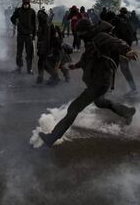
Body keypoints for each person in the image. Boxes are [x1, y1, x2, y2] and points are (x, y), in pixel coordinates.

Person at [39, 19, 137, 147]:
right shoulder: (91, 41)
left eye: (79, 33)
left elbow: (115, 42)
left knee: (73, 108)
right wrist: (75, 66)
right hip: (98, 81)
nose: (78, 36)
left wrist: (127, 51)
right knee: (100, 102)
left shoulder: (100, 37)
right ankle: (126, 111)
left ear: (85, 31)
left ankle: (52, 137)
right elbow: (87, 58)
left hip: (99, 82)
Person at [112, 7, 138, 97]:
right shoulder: (127, 21)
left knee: (114, 68)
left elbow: (112, 31)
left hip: (119, 48)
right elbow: (131, 35)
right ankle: (133, 89)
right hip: (125, 48)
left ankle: (110, 89)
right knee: (124, 69)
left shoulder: (117, 20)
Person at [10, 0, 36, 74]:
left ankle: (29, 69)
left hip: (29, 35)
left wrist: (34, 35)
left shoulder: (32, 11)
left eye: (27, 3)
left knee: (29, 53)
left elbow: (34, 24)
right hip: (20, 35)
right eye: (24, 3)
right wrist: (16, 23)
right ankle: (19, 67)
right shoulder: (18, 11)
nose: (26, 4)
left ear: (29, 3)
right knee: (19, 52)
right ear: (22, 3)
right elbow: (12, 18)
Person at [36, 9, 61, 85]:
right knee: (41, 63)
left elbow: (54, 37)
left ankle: (55, 77)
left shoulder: (48, 25)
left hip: (46, 47)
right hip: (43, 47)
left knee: (44, 64)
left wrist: (53, 47)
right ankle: (41, 77)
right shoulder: (43, 24)